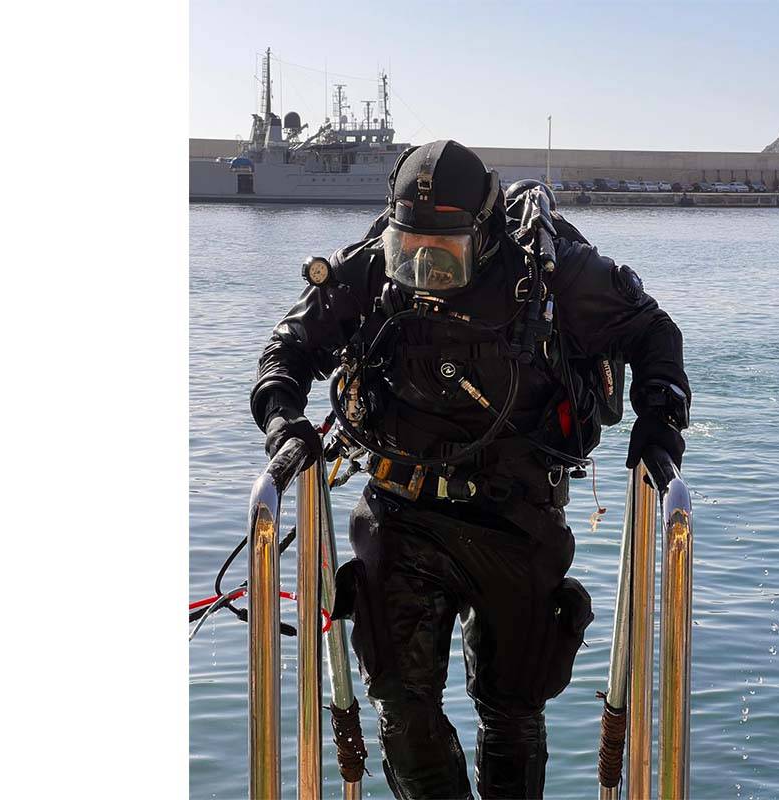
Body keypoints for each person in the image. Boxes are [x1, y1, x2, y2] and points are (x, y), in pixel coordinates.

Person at [250, 140, 690, 799]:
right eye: (411, 255)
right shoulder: (373, 268)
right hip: (402, 511)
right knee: (401, 707)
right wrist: (283, 425)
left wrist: (660, 425)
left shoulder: (550, 270)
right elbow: (288, 350)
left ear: (482, 237)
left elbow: (651, 332)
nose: (424, 271)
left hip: (516, 514)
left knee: (512, 709)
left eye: (443, 258)